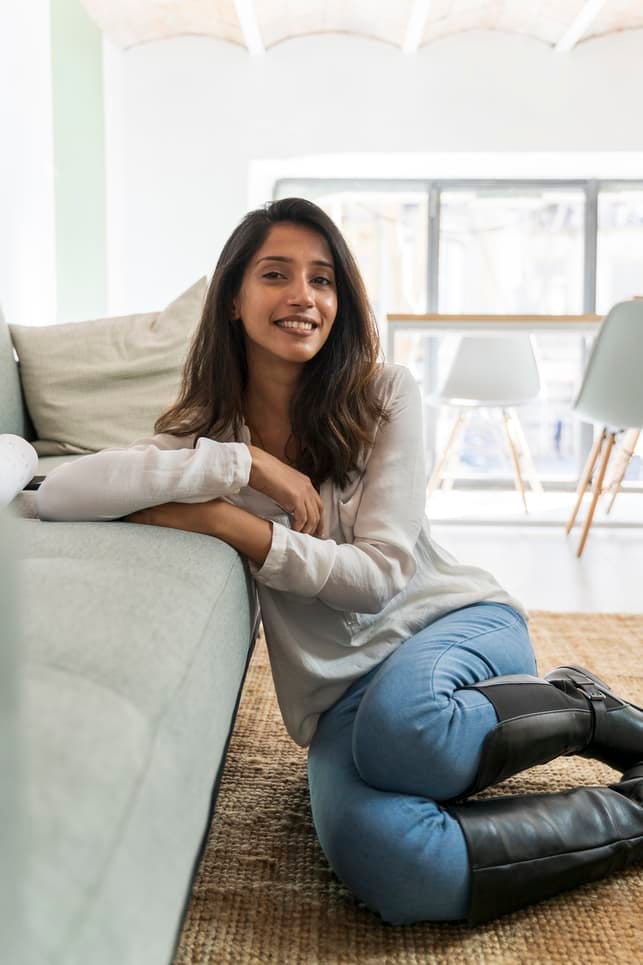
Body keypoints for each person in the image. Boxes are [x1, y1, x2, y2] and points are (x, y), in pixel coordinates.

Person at [37, 197, 643, 926]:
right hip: (343, 693)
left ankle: (583, 706)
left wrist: (234, 524)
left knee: (405, 736)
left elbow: (377, 577)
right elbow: (60, 491)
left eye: (321, 279)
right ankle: (632, 815)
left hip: (451, 627)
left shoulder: (384, 395)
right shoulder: (209, 440)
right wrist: (244, 465)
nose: (303, 295)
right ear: (231, 298)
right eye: (275, 274)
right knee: (393, 867)